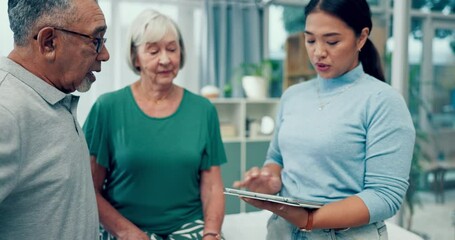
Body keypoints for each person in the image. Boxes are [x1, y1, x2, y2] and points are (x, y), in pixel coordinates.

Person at [233, 0, 416, 239]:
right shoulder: (293, 96)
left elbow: (385, 196)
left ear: (361, 38)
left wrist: (311, 219)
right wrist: (269, 180)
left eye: (332, 41)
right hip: (282, 231)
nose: (318, 52)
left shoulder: (383, 101)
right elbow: (276, 158)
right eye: (310, 40)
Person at [82, 9, 226, 240]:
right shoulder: (107, 107)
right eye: (153, 50)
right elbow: (88, 189)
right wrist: (130, 234)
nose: (166, 59)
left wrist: (210, 233)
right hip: (124, 227)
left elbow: (212, 187)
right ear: (135, 56)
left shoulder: (203, 110)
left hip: (189, 226)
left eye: (172, 48)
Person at [0, 0, 110, 239]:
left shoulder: (53, 96)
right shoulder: (6, 111)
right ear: (49, 42)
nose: (105, 54)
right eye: (95, 40)